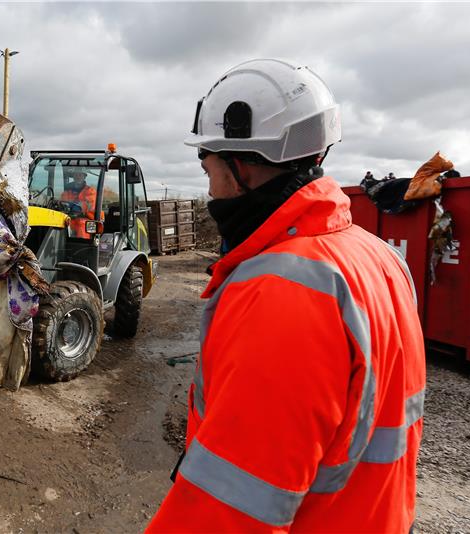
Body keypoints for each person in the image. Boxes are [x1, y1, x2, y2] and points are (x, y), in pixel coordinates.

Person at [148, 59, 425, 532]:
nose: (209, 187)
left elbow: (232, 507)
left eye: (207, 165)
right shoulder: (379, 257)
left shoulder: (281, 292)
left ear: (243, 168)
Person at [61, 170, 97, 238]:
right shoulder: (67, 191)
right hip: (69, 218)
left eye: (80, 174)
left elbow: (88, 207)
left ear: (84, 176)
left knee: (81, 225)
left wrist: (74, 206)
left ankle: (83, 246)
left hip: (87, 219)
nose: (78, 176)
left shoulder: (91, 191)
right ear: (73, 176)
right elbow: (62, 203)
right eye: (76, 174)